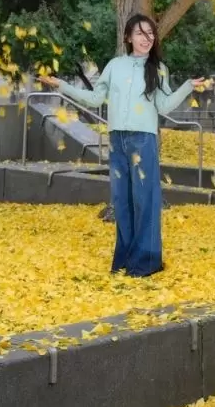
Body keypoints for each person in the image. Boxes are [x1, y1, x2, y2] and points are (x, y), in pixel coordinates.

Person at [38, 14, 206, 277]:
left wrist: (187, 87)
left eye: (150, 34)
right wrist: (62, 85)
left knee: (145, 200)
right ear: (128, 37)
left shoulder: (158, 69)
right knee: (123, 201)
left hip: (144, 140)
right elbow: (94, 99)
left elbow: (164, 106)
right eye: (140, 33)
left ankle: (147, 261)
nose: (146, 39)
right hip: (118, 140)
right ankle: (125, 259)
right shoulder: (115, 66)